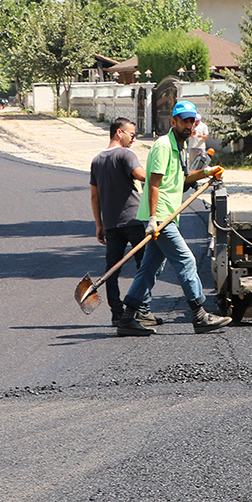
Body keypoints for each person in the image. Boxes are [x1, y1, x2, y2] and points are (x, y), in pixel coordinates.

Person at [118, 101, 232, 336]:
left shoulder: (179, 147)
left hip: (167, 215)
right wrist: (152, 219)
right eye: (184, 120)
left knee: (150, 268)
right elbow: (154, 184)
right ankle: (200, 316)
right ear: (173, 122)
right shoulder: (162, 146)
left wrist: (208, 172)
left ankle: (128, 318)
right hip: (160, 217)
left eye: (192, 121)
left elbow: (184, 179)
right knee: (187, 260)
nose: (189, 125)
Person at [89, 118, 156, 330]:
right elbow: (140, 175)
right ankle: (142, 311)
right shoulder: (126, 154)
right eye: (132, 135)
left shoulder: (97, 160)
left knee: (112, 270)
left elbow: (94, 196)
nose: (134, 139)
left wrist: (99, 225)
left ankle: (117, 314)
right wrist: (157, 175)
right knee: (145, 266)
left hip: (111, 225)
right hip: (134, 220)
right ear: (119, 133)